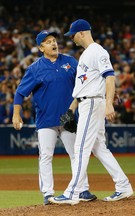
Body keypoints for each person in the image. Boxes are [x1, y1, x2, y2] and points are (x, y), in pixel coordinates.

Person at [49, 19, 133, 205]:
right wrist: (71, 111)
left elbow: (109, 76)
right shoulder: (87, 54)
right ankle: (123, 185)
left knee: (81, 148)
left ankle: (73, 192)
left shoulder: (97, 51)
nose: (72, 39)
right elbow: (86, 86)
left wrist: (109, 103)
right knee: (99, 147)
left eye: (73, 35)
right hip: (87, 102)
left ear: (81, 33)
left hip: (93, 104)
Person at [12, 30, 96, 205]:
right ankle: (48, 193)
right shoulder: (35, 69)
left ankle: (82, 189)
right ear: (41, 47)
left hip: (69, 119)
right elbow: (20, 93)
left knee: (76, 154)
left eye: (54, 40)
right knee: (46, 156)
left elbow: (85, 83)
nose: (53, 43)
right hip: (46, 120)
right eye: (48, 41)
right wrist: (16, 114)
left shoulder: (70, 62)